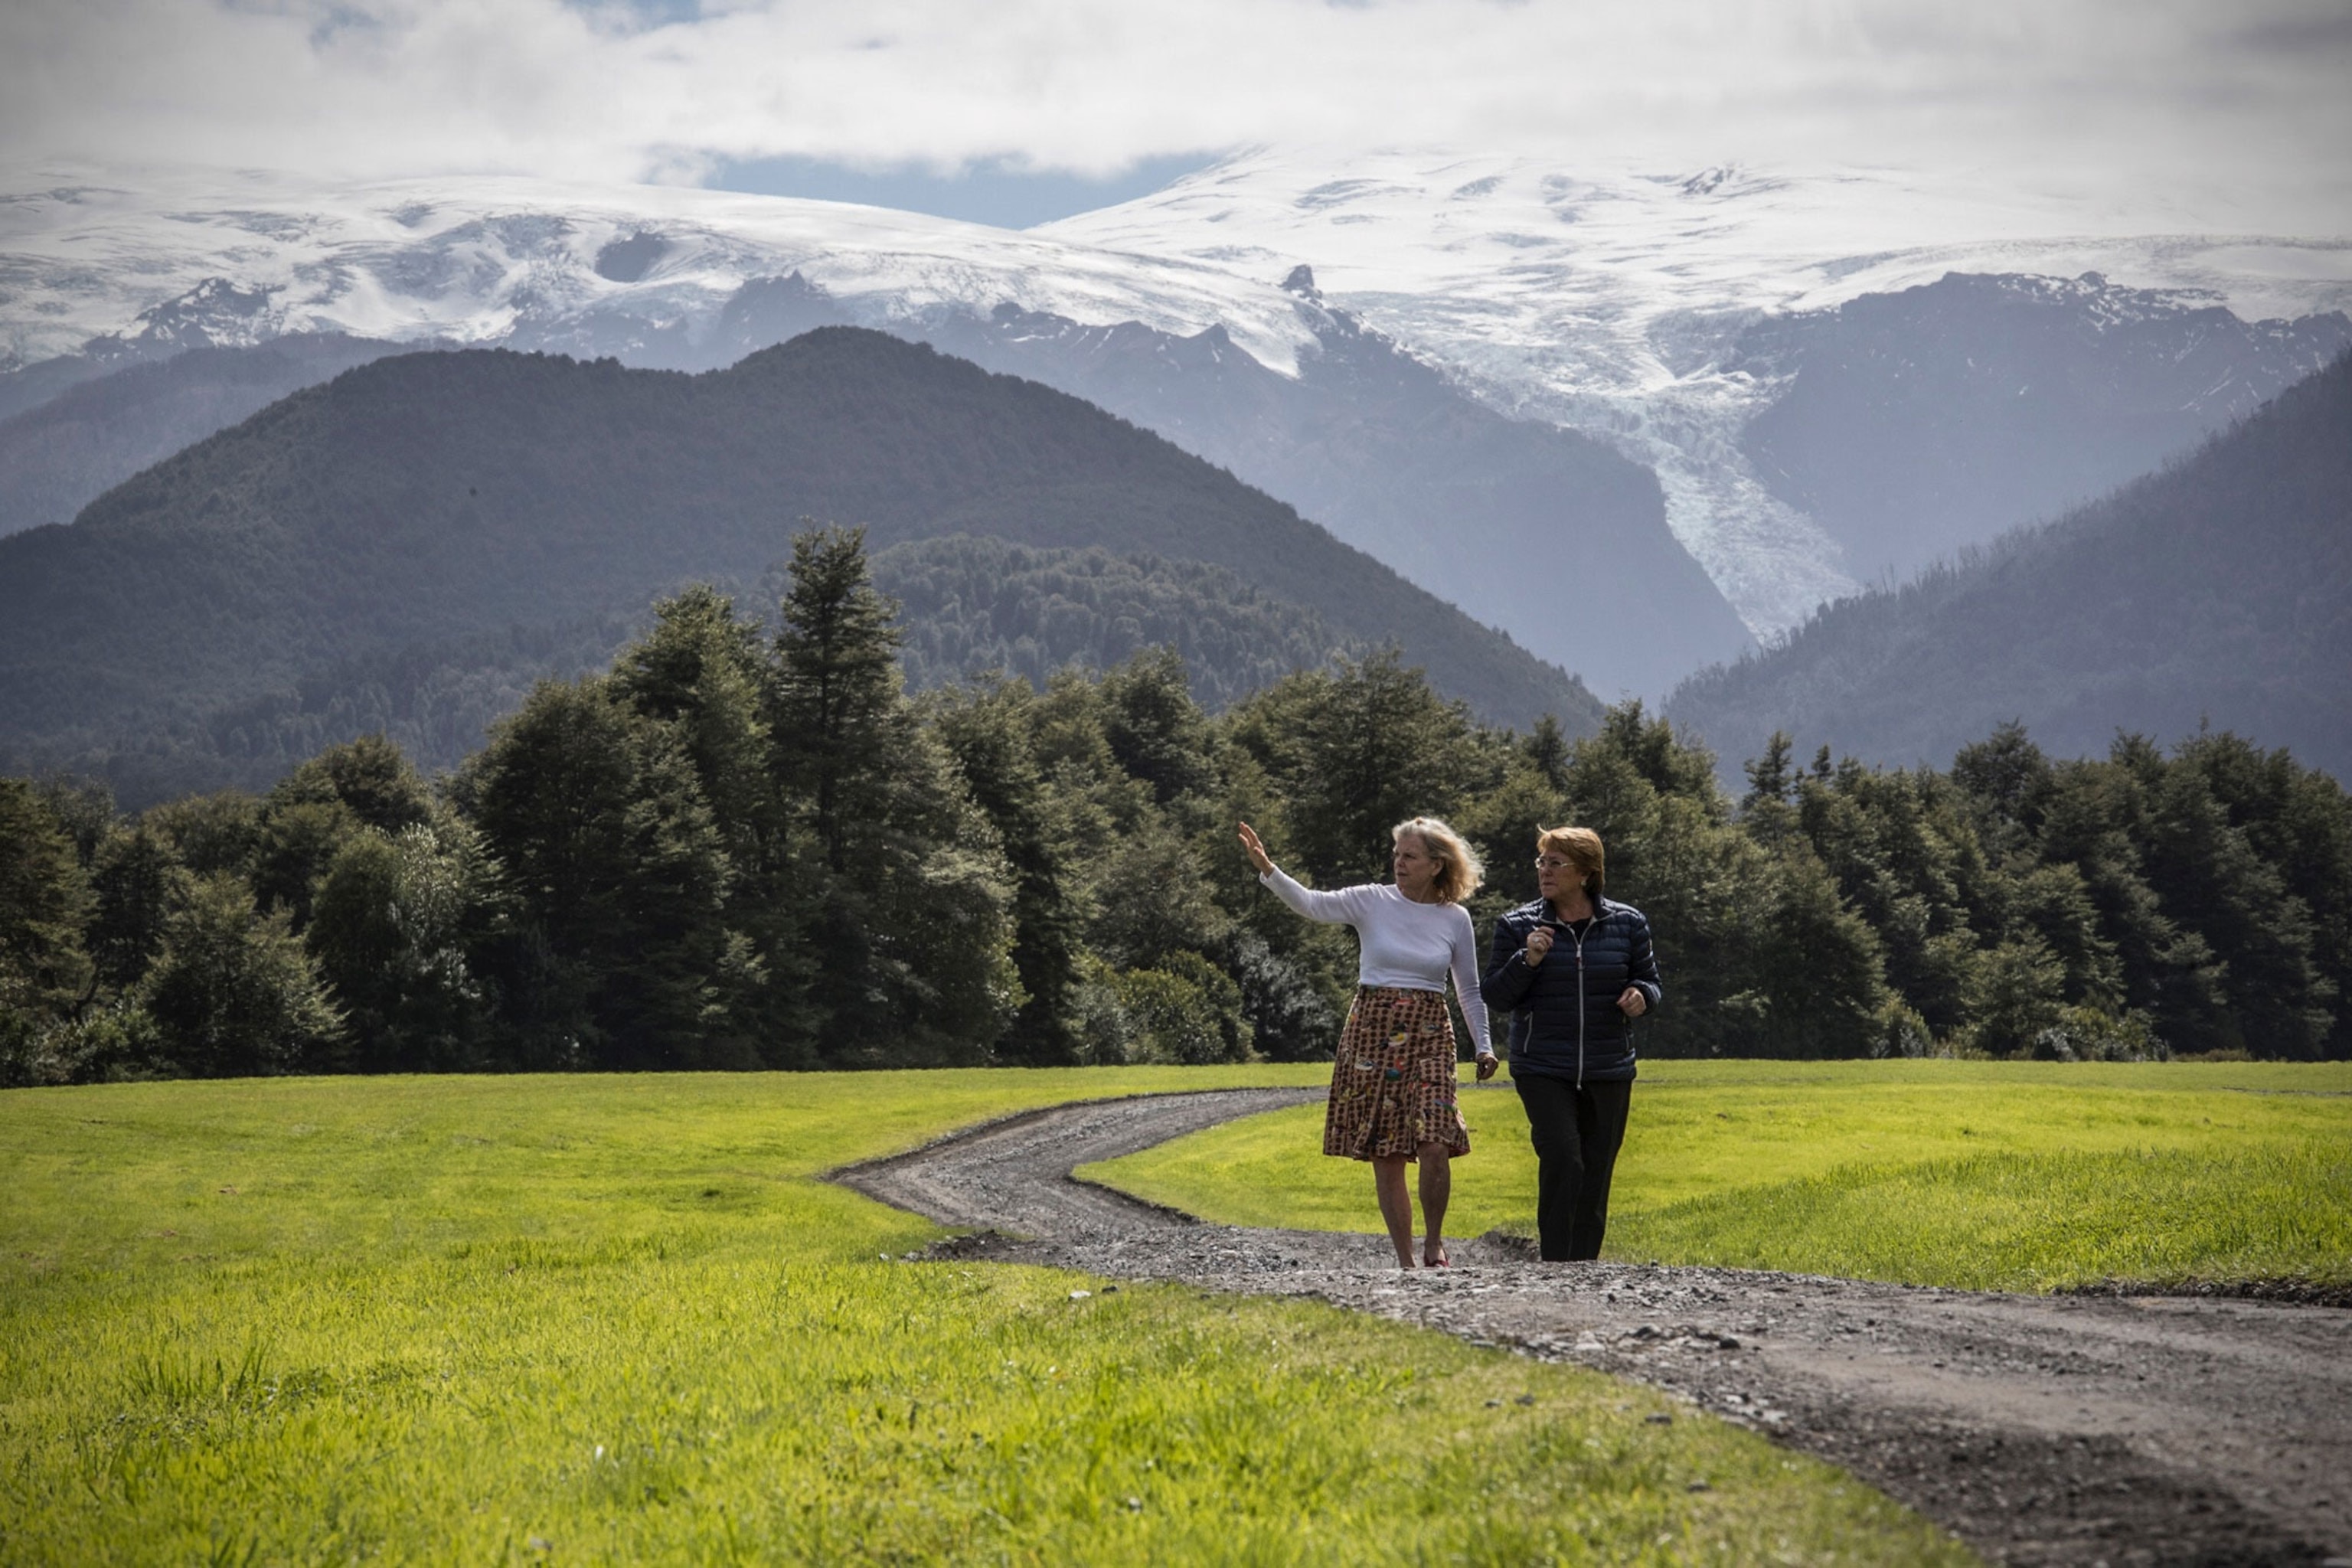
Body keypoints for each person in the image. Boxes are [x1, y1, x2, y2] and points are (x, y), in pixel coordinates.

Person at [1236, 817, 1497, 1270]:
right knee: (1388, 1150)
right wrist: (1269, 870)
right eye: (1396, 855)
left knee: (1435, 1139)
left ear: (1436, 865)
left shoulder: (1456, 919)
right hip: (1373, 1032)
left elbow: (1468, 990)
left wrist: (1485, 1046)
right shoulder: (1372, 901)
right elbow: (1313, 905)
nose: (1399, 863)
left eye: (1409, 856)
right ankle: (1405, 1260)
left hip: (1430, 1032)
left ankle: (1434, 1244)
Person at [1481, 826, 1661, 1263]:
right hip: (1542, 1066)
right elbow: (1497, 996)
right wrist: (1529, 960)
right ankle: (1556, 1263)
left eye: (1555, 862)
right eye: (1542, 861)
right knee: (1564, 1157)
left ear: (1585, 872)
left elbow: (1651, 982)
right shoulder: (1518, 925)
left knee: (1597, 1170)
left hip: (1608, 1066)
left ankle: (1585, 1267)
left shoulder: (1628, 922)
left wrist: (1641, 995)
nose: (1544, 870)